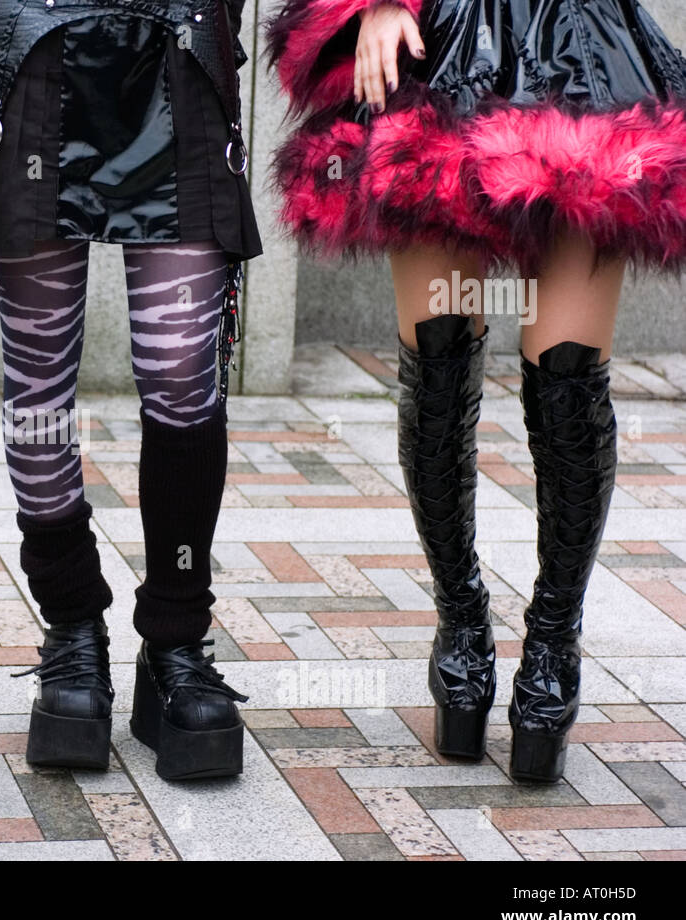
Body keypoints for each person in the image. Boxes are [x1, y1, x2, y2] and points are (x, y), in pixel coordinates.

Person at [265, 0, 686, 781]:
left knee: (568, 375)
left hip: (586, 48)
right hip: (438, 38)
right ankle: (460, 622)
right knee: (438, 359)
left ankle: (554, 643)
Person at [0, 0, 259, 780]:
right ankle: (72, 629)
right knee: (39, 382)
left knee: (182, 373)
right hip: (25, 58)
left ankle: (174, 640)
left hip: (181, 51)